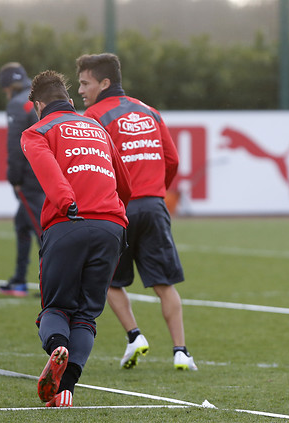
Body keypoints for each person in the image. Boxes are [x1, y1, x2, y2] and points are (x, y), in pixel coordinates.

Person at [76, 53, 198, 371]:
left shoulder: (93, 116)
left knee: (107, 281)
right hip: (154, 206)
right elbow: (172, 161)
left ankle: (134, 337)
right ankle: (181, 352)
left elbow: (92, 166)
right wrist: (157, 192)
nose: (80, 90)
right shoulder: (149, 112)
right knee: (164, 284)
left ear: (104, 83)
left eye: (84, 83)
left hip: (118, 210)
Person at [22, 70, 132, 407]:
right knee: (86, 316)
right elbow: (125, 183)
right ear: (70, 102)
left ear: (39, 104)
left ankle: (57, 345)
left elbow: (48, 170)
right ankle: (65, 388)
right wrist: (115, 215)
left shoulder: (36, 131)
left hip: (68, 222)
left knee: (56, 308)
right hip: (111, 227)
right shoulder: (97, 127)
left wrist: (68, 202)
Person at [0, 63, 44, 297]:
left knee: (41, 230)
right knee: (23, 224)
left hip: (29, 177)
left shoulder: (16, 105)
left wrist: (14, 177)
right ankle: (18, 280)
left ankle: (51, 284)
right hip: (45, 172)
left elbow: (16, 146)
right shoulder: (39, 97)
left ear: (6, 86)